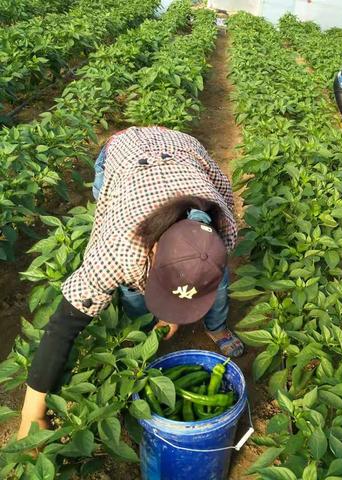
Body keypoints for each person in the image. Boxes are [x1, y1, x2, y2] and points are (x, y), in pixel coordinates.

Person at [18, 126, 244, 439]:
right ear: (151, 251)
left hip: (183, 151)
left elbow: (219, 203)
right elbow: (62, 327)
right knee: (132, 291)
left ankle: (209, 326)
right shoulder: (119, 248)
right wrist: (33, 416)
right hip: (121, 154)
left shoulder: (221, 226)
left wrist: (176, 304)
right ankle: (141, 331)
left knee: (215, 282)